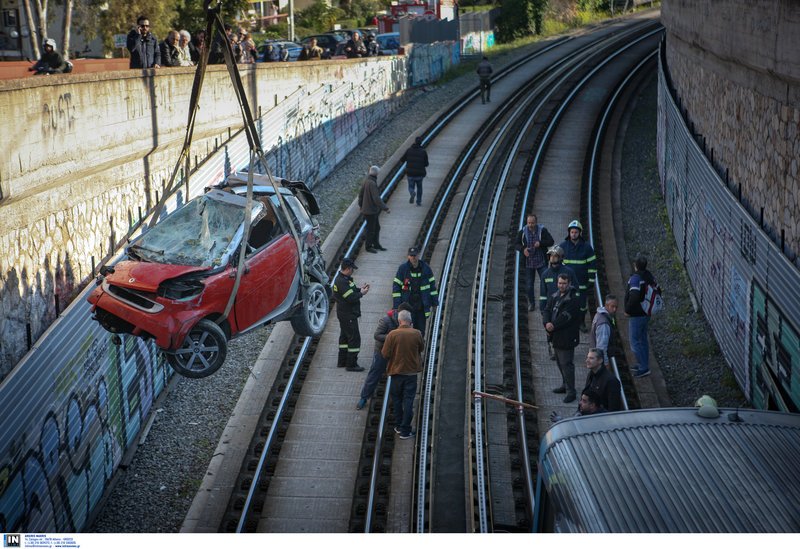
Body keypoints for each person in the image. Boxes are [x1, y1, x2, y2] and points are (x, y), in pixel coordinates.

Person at [357, 302, 413, 410]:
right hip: (382, 351)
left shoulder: (408, 321)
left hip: (397, 352)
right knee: (375, 373)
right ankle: (364, 397)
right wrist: (392, 337)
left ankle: (400, 400)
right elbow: (377, 335)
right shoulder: (386, 320)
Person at [382, 309, 425, 439]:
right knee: (408, 401)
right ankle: (406, 431)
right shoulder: (416, 333)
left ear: (399, 321)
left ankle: (399, 425)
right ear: (410, 321)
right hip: (410, 374)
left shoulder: (392, 334)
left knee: (396, 400)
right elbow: (421, 348)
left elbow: (385, 354)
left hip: (396, 373)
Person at [543, 273, 581, 403]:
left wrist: (552, 325)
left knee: (567, 364)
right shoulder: (555, 296)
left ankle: (571, 391)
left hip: (567, 337)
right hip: (556, 336)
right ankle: (565, 385)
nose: (561, 285)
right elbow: (547, 310)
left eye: (564, 283)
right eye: (560, 283)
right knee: (560, 363)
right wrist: (546, 323)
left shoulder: (574, 299)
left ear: (569, 283)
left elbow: (566, 317)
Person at [332, 257, 369, 372]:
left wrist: (360, 290)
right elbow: (350, 298)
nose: (353, 271)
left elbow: (352, 291)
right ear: (347, 269)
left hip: (344, 314)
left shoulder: (344, 279)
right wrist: (362, 294)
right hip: (348, 315)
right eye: (352, 269)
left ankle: (342, 361)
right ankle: (351, 364)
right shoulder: (342, 281)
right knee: (354, 338)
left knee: (344, 337)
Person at [392, 247, 439, 337]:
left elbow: (432, 287)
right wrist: (396, 306)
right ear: (408, 256)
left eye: (415, 255)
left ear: (418, 255)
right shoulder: (403, 269)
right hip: (408, 305)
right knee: (407, 331)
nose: (413, 257)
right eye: (411, 255)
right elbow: (396, 288)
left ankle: (419, 347)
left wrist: (435, 302)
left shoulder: (426, 269)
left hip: (421, 305)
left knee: (420, 331)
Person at [559, 220, 597, 332]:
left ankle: (581, 322)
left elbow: (592, 265)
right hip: (567, 282)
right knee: (565, 302)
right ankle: (565, 321)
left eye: (576, 232)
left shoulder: (587, 248)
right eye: (572, 232)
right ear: (569, 233)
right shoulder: (563, 246)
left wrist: (591, 280)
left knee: (581, 304)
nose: (574, 234)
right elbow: (556, 263)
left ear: (580, 233)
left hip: (582, 282)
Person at [625, 255, 658, 378]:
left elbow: (633, 296)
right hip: (646, 313)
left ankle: (643, 368)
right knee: (643, 340)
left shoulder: (635, 278)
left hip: (637, 314)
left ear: (635, 265)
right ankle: (643, 364)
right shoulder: (649, 276)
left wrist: (627, 310)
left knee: (634, 342)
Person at [515, 214, 554, 311]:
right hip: (528, 263)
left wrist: (540, 243)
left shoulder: (542, 230)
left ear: (536, 222)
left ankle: (547, 303)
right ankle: (532, 303)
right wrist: (523, 249)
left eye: (532, 223)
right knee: (529, 285)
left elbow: (551, 241)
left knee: (546, 282)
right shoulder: (523, 232)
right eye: (529, 223)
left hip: (541, 261)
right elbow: (516, 244)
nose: (530, 225)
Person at [358, 165, 390, 253]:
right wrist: (385, 208)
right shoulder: (372, 183)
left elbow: (360, 195)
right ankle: (368, 246)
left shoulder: (366, 181)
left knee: (376, 227)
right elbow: (376, 198)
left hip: (367, 209)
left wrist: (360, 206)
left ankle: (376, 244)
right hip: (370, 210)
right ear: (377, 174)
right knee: (371, 229)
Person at [539, 245, 578, 313]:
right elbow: (543, 295)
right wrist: (543, 310)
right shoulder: (545, 274)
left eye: (555, 256)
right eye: (551, 256)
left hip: (566, 308)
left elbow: (576, 289)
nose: (552, 258)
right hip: (551, 309)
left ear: (560, 257)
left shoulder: (569, 272)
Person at [589, 294, 619, 366]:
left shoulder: (599, 315)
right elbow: (601, 347)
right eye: (612, 306)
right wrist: (605, 363)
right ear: (606, 305)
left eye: (616, 307)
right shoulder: (604, 323)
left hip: (594, 357)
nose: (614, 309)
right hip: (598, 361)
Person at [402, 136, 428, 206]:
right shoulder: (423, 151)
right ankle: (418, 201)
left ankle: (412, 192)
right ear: (421, 143)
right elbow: (426, 164)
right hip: (420, 173)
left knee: (410, 186)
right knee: (419, 187)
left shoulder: (409, 150)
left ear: (415, 142)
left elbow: (402, 159)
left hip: (410, 173)